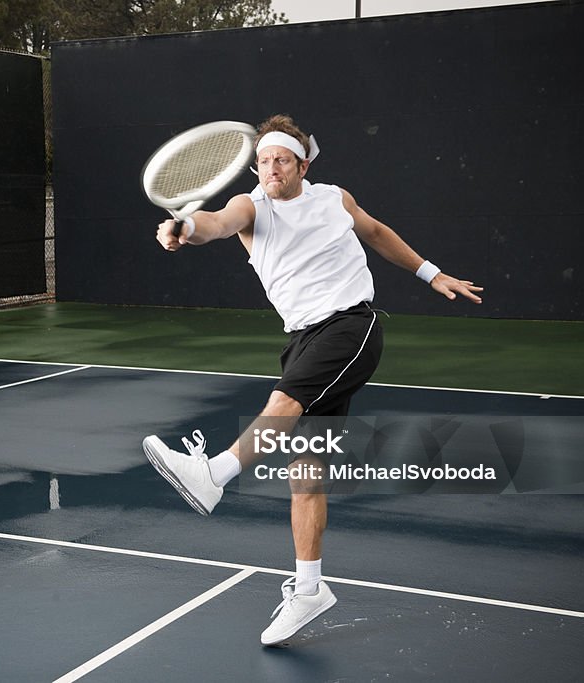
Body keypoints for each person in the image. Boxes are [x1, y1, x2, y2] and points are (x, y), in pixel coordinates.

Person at [142, 114, 483, 646]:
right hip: (302, 339)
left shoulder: (333, 198)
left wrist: (429, 272)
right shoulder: (252, 206)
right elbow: (215, 222)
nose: (270, 169)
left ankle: (214, 474)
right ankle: (309, 591)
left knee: (285, 400)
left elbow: (375, 233)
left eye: (280, 159)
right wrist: (184, 228)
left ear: (302, 163)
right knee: (305, 473)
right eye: (262, 161)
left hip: (350, 326)